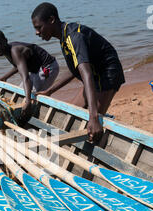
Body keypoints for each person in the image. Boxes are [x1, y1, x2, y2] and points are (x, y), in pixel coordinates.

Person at [31, 2, 125, 142]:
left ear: (51, 20)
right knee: (72, 112)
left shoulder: (74, 37)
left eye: (39, 27)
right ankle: (98, 115)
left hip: (108, 74)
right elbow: (75, 70)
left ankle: (101, 119)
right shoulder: (63, 37)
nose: (37, 33)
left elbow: (86, 74)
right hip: (94, 73)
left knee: (94, 125)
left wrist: (93, 118)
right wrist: (50, 91)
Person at [0, 29, 59, 124]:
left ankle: (31, 120)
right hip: (36, 70)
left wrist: (28, 102)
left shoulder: (15, 51)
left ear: (5, 40)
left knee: (32, 94)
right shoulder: (6, 51)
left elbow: (26, 78)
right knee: (21, 92)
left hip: (47, 67)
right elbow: (19, 65)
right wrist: (5, 77)